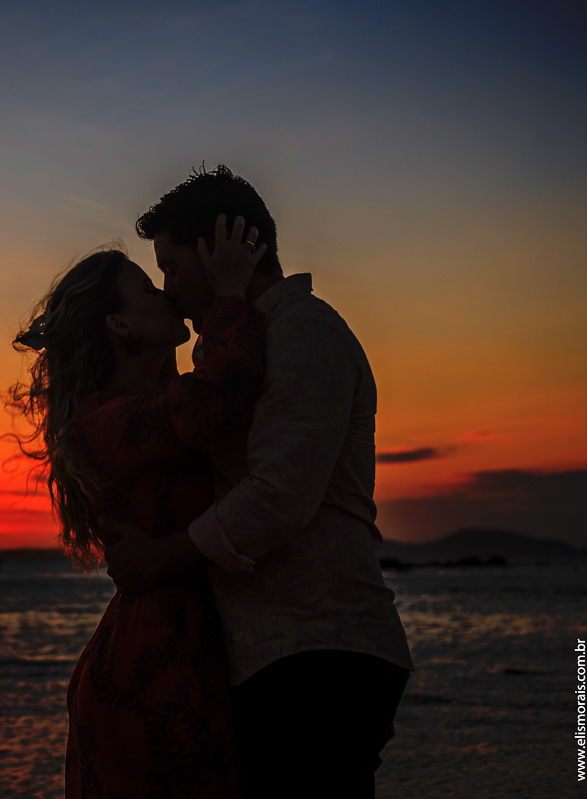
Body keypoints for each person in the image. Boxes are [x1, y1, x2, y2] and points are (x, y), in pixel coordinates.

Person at [99, 164, 414, 798]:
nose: (169, 289)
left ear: (220, 247)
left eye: (171, 267)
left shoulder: (303, 331)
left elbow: (278, 498)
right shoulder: (239, 342)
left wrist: (155, 558)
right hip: (278, 652)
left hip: (321, 650)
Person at [6, 222, 268, 798]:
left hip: (182, 652)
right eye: (149, 289)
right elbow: (222, 395)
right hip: (152, 672)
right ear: (120, 325)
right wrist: (228, 294)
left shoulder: (148, 407)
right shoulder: (107, 422)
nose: (167, 294)